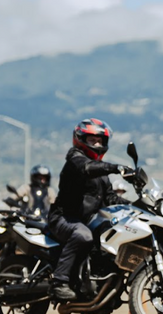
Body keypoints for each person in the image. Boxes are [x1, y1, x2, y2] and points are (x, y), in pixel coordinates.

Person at [47, 118, 133, 301]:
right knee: (83, 236)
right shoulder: (75, 159)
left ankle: (101, 282)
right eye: (92, 140)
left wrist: (135, 205)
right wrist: (115, 168)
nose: (97, 144)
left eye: (100, 141)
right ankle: (59, 282)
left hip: (88, 220)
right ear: (80, 139)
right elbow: (86, 168)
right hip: (64, 217)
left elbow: (110, 198)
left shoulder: (101, 175)